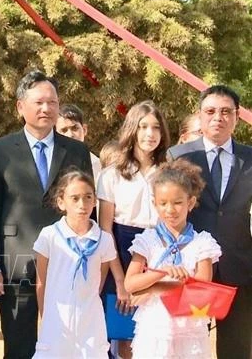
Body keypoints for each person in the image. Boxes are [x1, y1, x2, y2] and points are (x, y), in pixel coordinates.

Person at [0, 70, 93, 357]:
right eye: (39, 102)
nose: (46, 108)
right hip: (17, 264)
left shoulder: (77, 151)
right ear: (21, 106)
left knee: (66, 344)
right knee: (19, 346)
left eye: (52, 102)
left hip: (67, 263)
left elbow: (87, 209)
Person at [167, 85, 252, 358]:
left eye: (226, 112)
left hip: (239, 265)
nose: (219, 117)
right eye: (211, 111)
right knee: (189, 346)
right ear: (201, 116)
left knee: (237, 347)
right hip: (190, 267)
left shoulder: (249, 157)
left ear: (236, 118)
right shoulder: (178, 156)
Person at [124, 159, 221, 358]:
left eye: (178, 203)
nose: (170, 210)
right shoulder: (147, 240)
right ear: (154, 204)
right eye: (163, 203)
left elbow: (202, 285)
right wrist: (164, 273)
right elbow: (130, 284)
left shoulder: (202, 242)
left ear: (191, 202)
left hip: (190, 325)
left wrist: (154, 288)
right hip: (155, 324)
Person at [97, 100, 171, 358]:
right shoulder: (111, 174)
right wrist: (120, 281)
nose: (150, 134)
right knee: (121, 333)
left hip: (158, 253)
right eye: (143, 127)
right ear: (132, 130)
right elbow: (105, 230)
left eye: (156, 128)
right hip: (119, 250)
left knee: (153, 333)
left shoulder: (169, 172)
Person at [33, 169, 117, 358]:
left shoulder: (103, 240)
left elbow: (99, 281)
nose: (82, 204)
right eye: (75, 198)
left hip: (90, 319)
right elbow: (41, 281)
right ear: (61, 202)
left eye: (88, 197)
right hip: (57, 318)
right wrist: (46, 316)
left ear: (95, 200)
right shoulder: (50, 235)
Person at [56, 104, 103, 181]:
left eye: (74, 128)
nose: (70, 134)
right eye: (64, 130)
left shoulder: (96, 165)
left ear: (84, 130)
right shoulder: (50, 165)